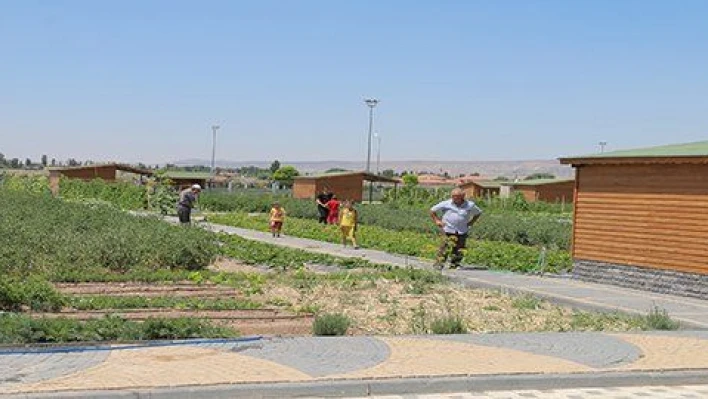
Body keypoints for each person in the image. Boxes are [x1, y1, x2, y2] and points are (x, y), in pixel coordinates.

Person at [429, 188, 482, 269]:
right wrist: (437, 221)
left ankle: (455, 264)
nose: (454, 198)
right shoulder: (446, 203)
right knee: (444, 247)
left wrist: (471, 222)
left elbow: (478, 213)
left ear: (463, 196)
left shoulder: (470, 205)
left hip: (462, 230)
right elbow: (432, 210)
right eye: (453, 196)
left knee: (459, 247)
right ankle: (439, 264)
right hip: (447, 228)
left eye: (457, 196)